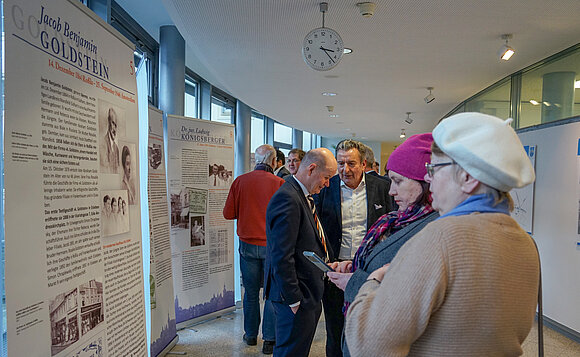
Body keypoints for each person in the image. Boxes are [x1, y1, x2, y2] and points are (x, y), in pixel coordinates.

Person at [345, 113, 540, 356]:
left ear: (467, 178)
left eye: (434, 168)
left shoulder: (440, 238)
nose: (428, 177)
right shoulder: (525, 242)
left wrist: (373, 282)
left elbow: (367, 344)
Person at [325, 133, 438, 356]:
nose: (391, 191)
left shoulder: (431, 229)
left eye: (397, 181)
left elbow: (403, 291)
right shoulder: (400, 219)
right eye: (341, 163)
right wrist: (357, 265)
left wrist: (358, 279)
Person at [314, 139, 393, 357]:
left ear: (364, 164)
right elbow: (316, 227)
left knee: (369, 329)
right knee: (335, 330)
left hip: (369, 271)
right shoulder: (325, 189)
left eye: (351, 163)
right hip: (336, 270)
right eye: (340, 163)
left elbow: (393, 224)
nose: (345, 169)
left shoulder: (382, 188)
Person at [265, 148, 337, 357]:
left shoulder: (302, 196)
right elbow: (281, 255)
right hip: (296, 297)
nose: (327, 184)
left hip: (307, 292)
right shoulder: (288, 198)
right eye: (326, 177)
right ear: (312, 168)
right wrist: (294, 299)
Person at [223, 144, 285, 354]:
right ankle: (269, 340)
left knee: (250, 293)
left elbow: (228, 213)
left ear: (255, 161)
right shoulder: (280, 183)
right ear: (274, 162)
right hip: (272, 246)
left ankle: (250, 336)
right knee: (270, 293)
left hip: (247, 245)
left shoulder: (240, 181)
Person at [99, 108, 120, 173]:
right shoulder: (103, 144)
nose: (114, 129)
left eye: (116, 126)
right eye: (113, 123)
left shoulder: (116, 148)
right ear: (108, 122)